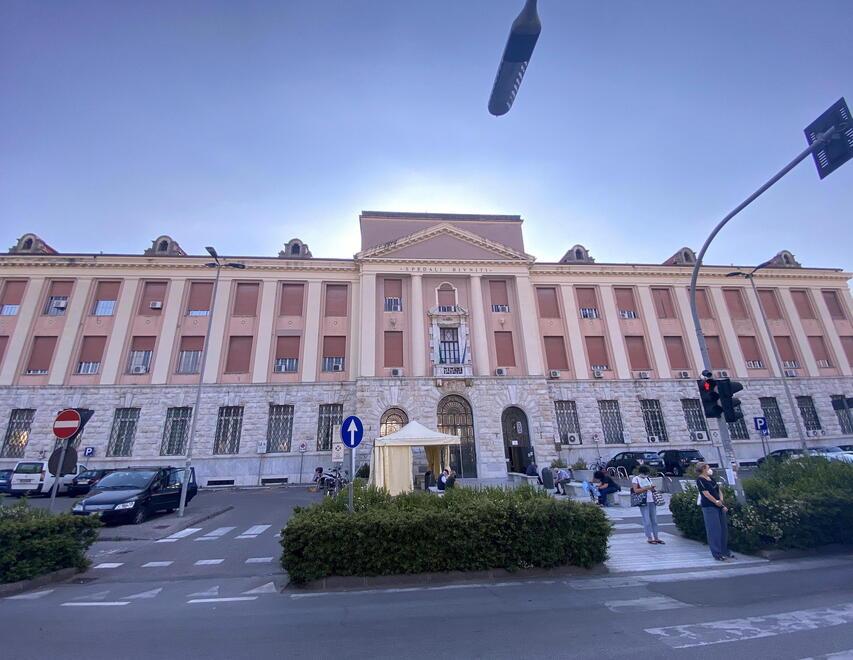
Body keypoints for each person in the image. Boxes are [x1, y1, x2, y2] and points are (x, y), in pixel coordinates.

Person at [696, 462, 734, 561]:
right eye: (707, 467)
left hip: (719, 506)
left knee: (723, 529)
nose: (709, 468)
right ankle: (717, 553)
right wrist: (716, 501)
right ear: (703, 468)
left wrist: (721, 500)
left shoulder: (711, 479)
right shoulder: (700, 480)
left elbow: (718, 490)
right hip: (709, 507)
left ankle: (725, 551)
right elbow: (706, 494)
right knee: (714, 530)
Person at [631, 465, 663, 544]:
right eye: (645, 473)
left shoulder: (648, 478)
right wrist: (646, 488)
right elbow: (636, 490)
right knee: (647, 520)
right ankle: (649, 537)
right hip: (643, 501)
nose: (646, 475)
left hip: (652, 500)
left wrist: (652, 488)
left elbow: (651, 488)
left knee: (654, 520)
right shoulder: (635, 479)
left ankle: (656, 537)